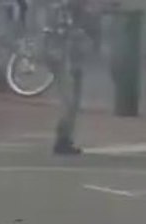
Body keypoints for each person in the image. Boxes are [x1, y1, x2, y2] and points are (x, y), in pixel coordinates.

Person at [52, 0, 97, 155]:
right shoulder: (64, 10)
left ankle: (65, 138)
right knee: (69, 101)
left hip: (73, 59)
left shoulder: (76, 12)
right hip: (67, 59)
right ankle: (62, 139)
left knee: (73, 101)